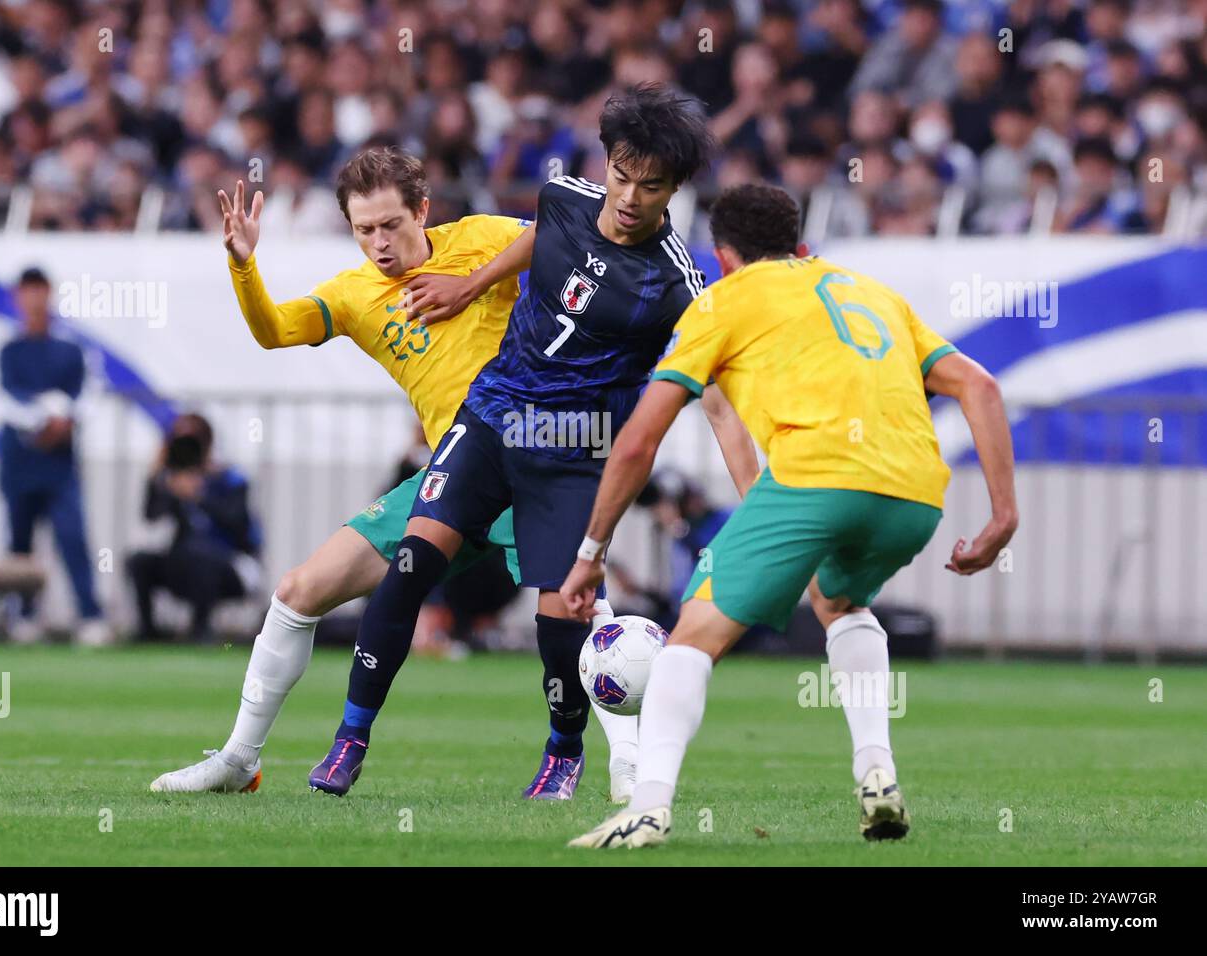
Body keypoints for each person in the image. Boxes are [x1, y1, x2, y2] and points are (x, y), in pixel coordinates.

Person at [311, 84, 759, 802]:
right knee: (410, 562)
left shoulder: (677, 286)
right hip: (492, 415)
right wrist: (468, 286)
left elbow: (720, 406)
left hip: (575, 451)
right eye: (621, 175)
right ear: (607, 163)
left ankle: (563, 750)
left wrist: (760, 509)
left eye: (650, 186)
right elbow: (539, 233)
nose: (629, 197)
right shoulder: (566, 198)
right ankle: (350, 739)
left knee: (561, 619)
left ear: (674, 189)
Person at [150, 147, 635, 797]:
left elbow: (568, 235)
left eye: (390, 226)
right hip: (451, 478)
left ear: (423, 211)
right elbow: (275, 331)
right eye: (363, 230)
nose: (378, 244)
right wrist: (244, 266)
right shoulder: (354, 296)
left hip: (533, 456)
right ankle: (240, 760)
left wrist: (485, 284)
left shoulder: (482, 238)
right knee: (299, 591)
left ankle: (631, 766)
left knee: (576, 602)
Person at [563, 182, 1017, 849]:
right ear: (800, 246)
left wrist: (593, 550)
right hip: (915, 492)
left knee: (692, 636)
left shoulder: (724, 299)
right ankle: (876, 773)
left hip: (816, 478)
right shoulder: (873, 293)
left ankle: (649, 806)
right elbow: (980, 386)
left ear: (723, 258)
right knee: (839, 603)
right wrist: (1003, 516)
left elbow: (637, 440)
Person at [0, 266, 110, 646]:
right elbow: (7, 397)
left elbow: (89, 394)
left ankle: (90, 615)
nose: (33, 300)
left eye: (38, 291)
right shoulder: (9, 350)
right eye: (26, 292)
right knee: (19, 541)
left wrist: (67, 420)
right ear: (18, 297)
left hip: (60, 465)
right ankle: (22, 616)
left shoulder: (70, 350)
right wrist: (40, 420)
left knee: (72, 537)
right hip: (20, 461)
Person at [126, 414, 262, 643]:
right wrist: (156, 478)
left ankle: (200, 630)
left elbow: (238, 524)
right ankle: (148, 632)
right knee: (139, 560)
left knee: (199, 555)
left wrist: (200, 496)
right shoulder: (174, 481)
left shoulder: (230, 479)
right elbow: (150, 515)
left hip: (233, 566)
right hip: (186, 564)